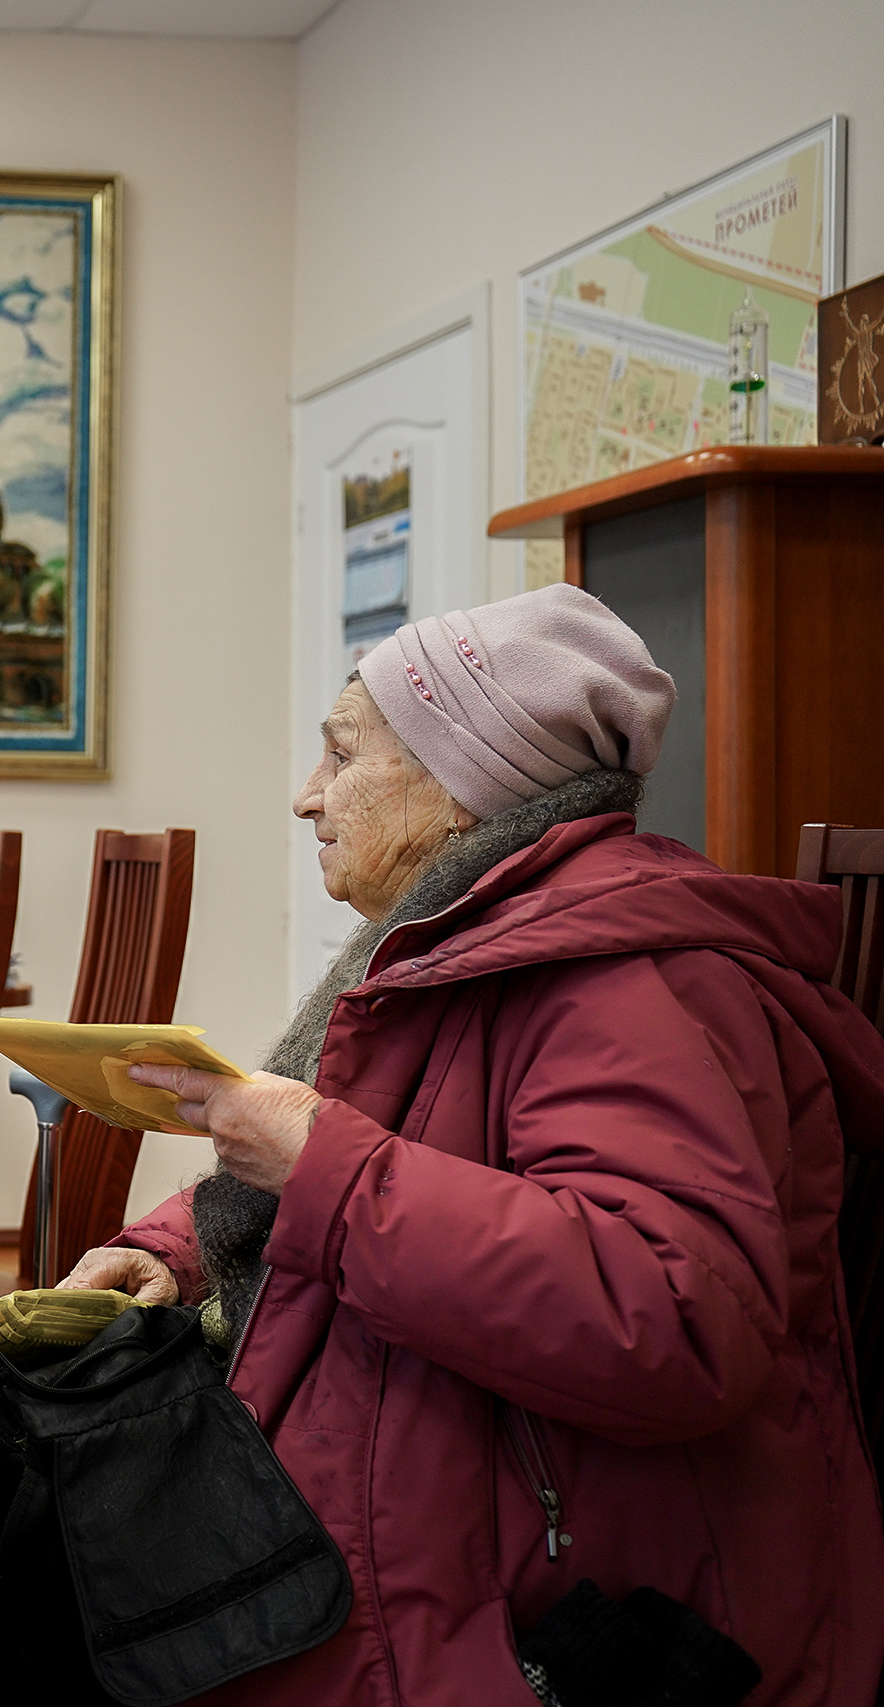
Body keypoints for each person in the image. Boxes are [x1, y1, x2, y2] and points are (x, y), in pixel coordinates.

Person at [63, 583, 884, 1704]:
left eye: (342, 758)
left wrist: (312, 1163)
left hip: (562, 1621)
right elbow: (390, 1156)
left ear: (466, 788)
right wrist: (182, 1250)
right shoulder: (460, 939)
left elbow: (672, 1319)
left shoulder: (631, 981)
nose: (307, 799)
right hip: (445, 1520)